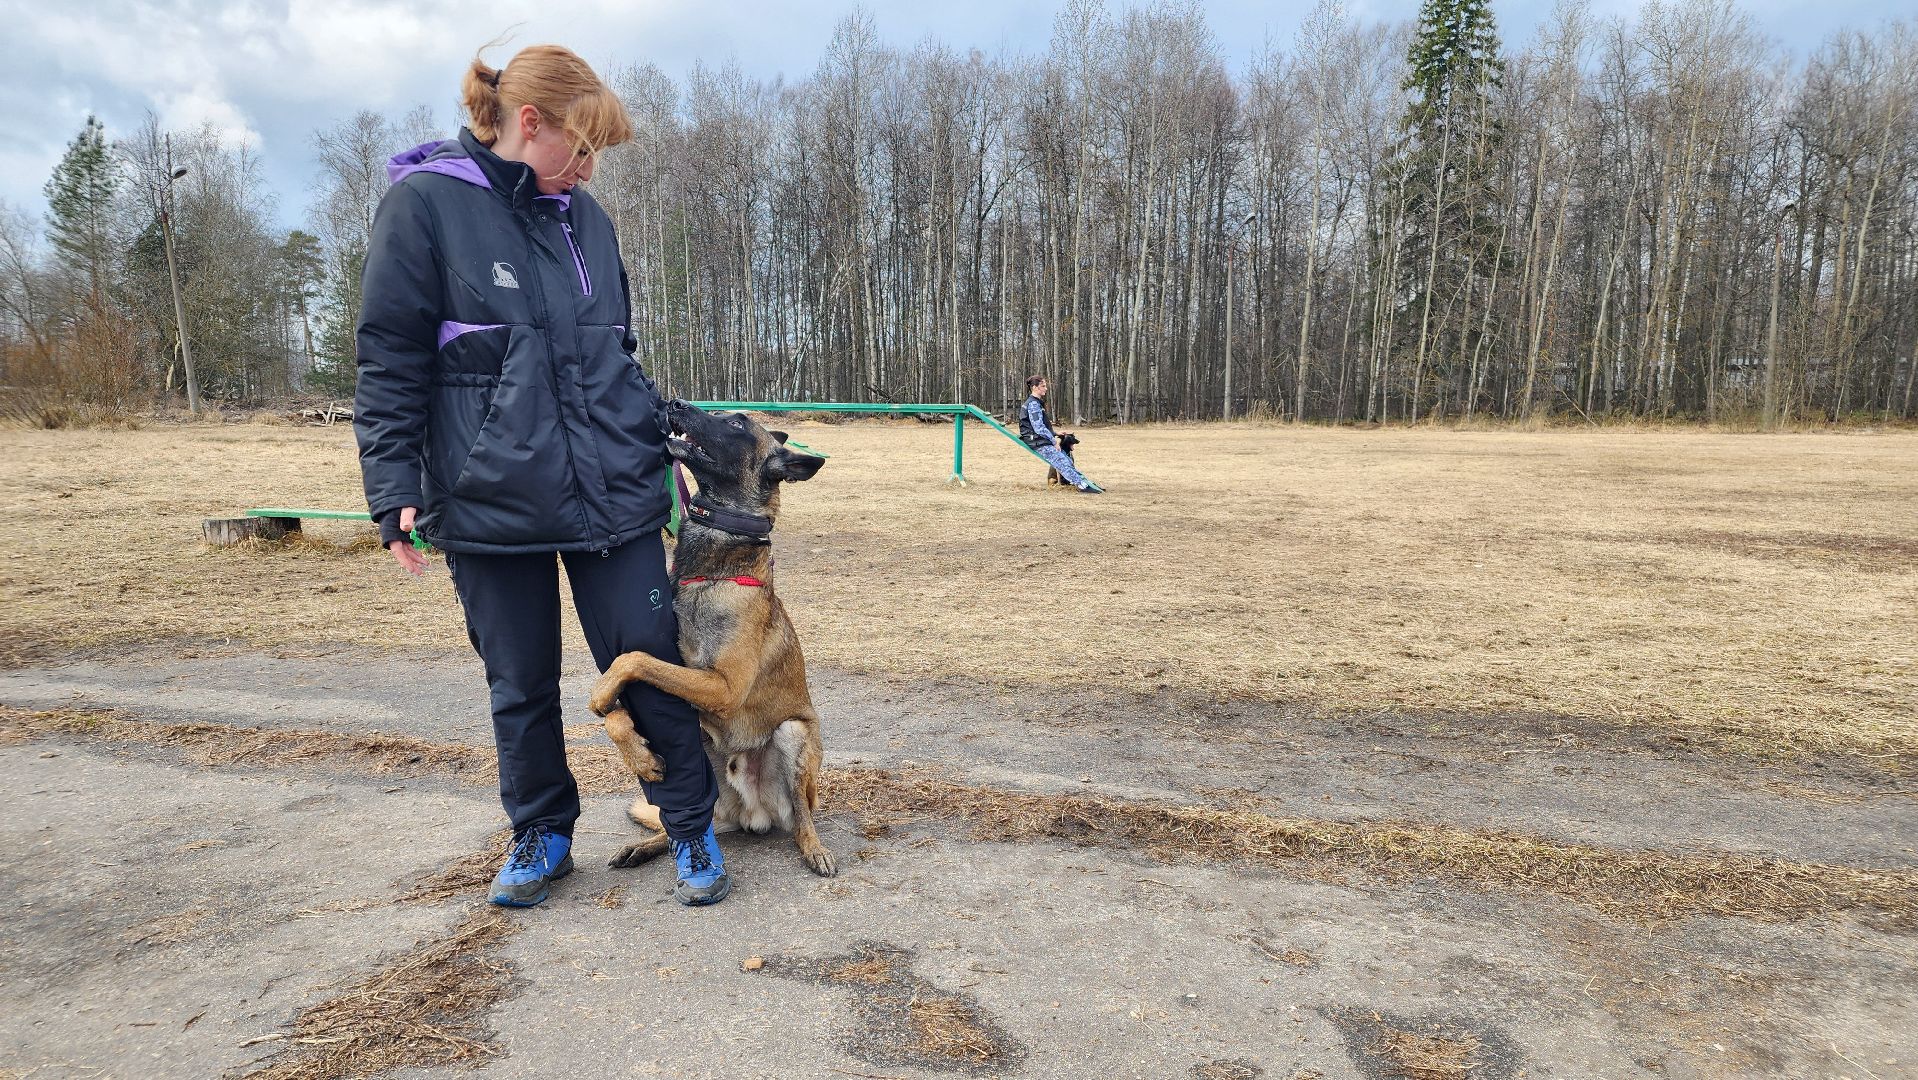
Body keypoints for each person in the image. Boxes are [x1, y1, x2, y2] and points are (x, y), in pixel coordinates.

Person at [354, 43, 730, 908]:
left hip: (615, 493)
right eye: (583, 146)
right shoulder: (425, 207)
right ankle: (542, 833)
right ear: (532, 124)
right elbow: (388, 358)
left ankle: (690, 825)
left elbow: (614, 353)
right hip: (487, 497)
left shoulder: (585, 218)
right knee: (517, 681)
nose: (591, 168)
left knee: (647, 662)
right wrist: (393, 482)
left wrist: (660, 444)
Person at [1018, 376, 1103, 494]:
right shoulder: (1033, 404)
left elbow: (1040, 426)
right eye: (1043, 386)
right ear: (1034, 387)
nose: (1046, 389)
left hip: (1038, 438)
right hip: (1036, 440)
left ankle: (1084, 482)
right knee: (1061, 461)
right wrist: (1053, 441)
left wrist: (1056, 433)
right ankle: (1082, 485)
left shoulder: (1036, 403)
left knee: (1067, 460)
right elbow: (1038, 428)